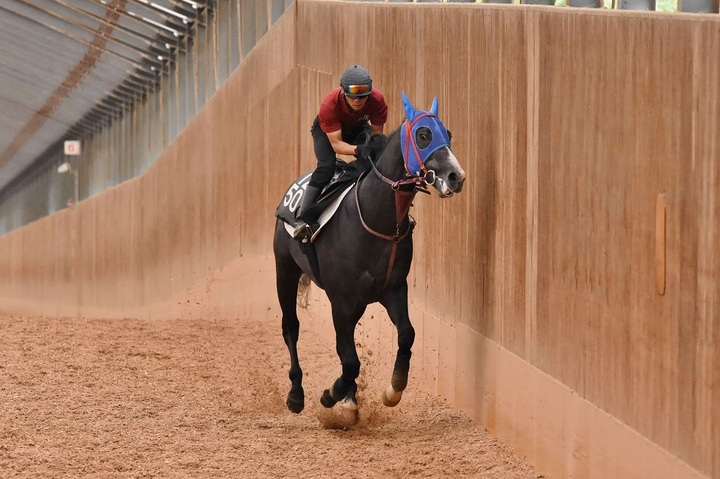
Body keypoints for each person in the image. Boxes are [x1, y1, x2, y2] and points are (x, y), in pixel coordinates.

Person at [293, 65, 388, 239]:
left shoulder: (377, 100)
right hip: (327, 133)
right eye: (352, 95)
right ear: (343, 92)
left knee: (377, 154)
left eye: (362, 96)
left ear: (370, 93)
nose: (357, 100)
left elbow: (376, 135)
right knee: (326, 167)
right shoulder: (329, 105)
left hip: (357, 127)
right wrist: (359, 150)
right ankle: (302, 218)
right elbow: (337, 145)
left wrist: (372, 150)